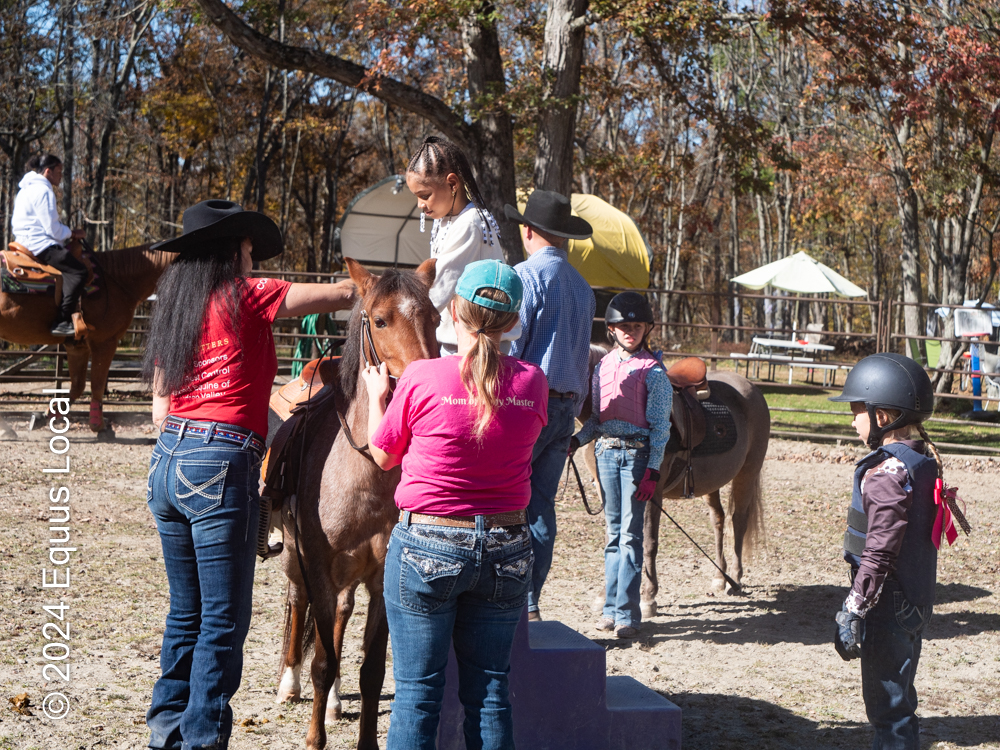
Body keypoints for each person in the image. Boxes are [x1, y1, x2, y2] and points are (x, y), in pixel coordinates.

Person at [141, 199, 356, 750]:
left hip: (167, 461)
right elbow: (338, 293)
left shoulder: (176, 307)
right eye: (247, 249)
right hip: (219, 459)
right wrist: (377, 282)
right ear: (232, 250)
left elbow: (160, 407)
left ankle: (166, 732)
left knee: (185, 611)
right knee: (223, 618)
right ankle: (203, 739)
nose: (251, 258)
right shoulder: (247, 294)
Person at [362, 259, 548, 750]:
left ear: (451, 312)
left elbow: (383, 455)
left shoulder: (422, 378)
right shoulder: (533, 382)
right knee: (490, 693)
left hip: (427, 543)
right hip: (508, 547)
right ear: (511, 323)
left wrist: (378, 397)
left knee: (417, 695)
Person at [828, 353, 944, 750]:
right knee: (901, 701)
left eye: (857, 409)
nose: (851, 419)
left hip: (887, 604)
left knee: (886, 711)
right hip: (915, 598)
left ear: (882, 416)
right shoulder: (921, 461)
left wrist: (854, 608)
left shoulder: (885, 474)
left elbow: (878, 550)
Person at [505, 189, 595, 621]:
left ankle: (513, 599)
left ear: (528, 231)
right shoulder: (583, 287)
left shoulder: (524, 277)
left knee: (509, 502)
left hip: (527, 405)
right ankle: (531, 600)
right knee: (541, 507)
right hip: (565, 406)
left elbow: (513, 349)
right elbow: (582, 354)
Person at [569, 292, 672, 638]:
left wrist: (653, 471)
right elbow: (597, 421)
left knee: (630, 536)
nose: (631, 331)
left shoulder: (653, 372)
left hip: (636, 456)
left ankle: (628, 614)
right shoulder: (603, 368)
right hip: (606, 456)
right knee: (613, 535)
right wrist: (575, 441)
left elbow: (660, 428)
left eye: (637, 326)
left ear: (646, 329)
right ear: (612, 329)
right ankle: (612, 610)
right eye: (624, 326)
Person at [405, 135, 520, 355]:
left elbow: (441, 284)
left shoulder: (470, 223)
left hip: (477, 344)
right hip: (459, 338)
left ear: (452, 183)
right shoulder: (447, 220)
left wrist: (405, 312)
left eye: (424, 195)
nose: (420, 204)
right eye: (416, 197)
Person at [10, 153, 87, 335]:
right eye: (58, 172)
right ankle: (61, 321)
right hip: (40, 244)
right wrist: (73, 233)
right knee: (78, 272)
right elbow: (52, 229)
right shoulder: (44, 191)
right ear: (47, 171)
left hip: (23, 241)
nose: (61, 176)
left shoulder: (25, 189)